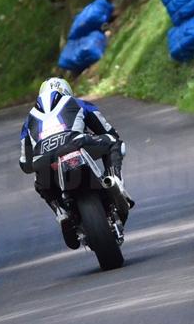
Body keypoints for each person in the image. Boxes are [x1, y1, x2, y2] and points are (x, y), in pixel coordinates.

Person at [19, 77, 134, 239]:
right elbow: (109, 132)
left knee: (39, 178)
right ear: (67, 91)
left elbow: (26, 164)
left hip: (45, 158)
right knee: (115, 143)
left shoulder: (28, 120)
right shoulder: (79, 103)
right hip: (77, 142)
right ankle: (115, 181)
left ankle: (61, 212)